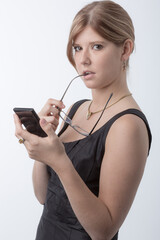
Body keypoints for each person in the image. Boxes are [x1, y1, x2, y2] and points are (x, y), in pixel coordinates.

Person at [14, 1, 152, 240]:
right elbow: (44, 197)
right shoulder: (78, 108)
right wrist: (44, 139)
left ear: (125, 50)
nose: (83, 59)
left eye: (97, 46)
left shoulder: (128, 126)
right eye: (78, 48)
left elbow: (103, 231)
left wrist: (59, 161)